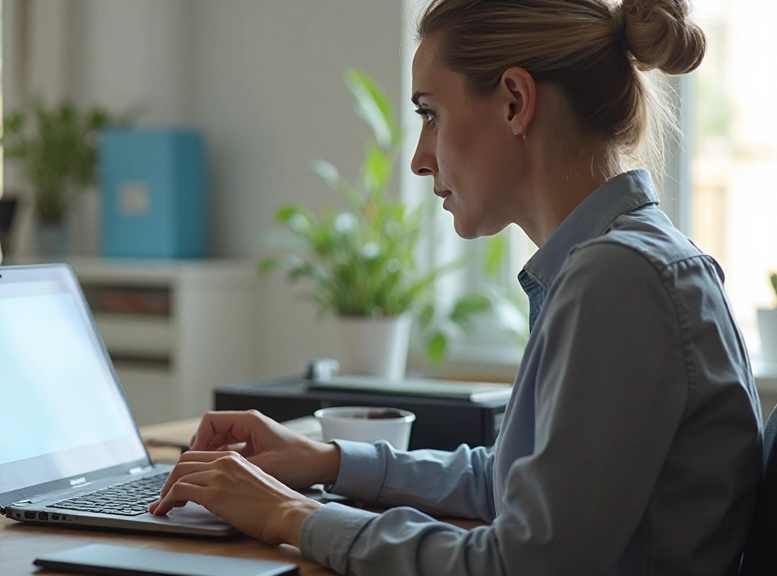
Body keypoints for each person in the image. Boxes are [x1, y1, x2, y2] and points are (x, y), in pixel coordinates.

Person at [149, 0, 763, 573]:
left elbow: (520, 562)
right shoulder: (612, 264)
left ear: (516, 102)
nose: (420, 158)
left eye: (430, 115)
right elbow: (510, 481)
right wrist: (326, 461)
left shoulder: (619, 279)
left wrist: (291, 514)